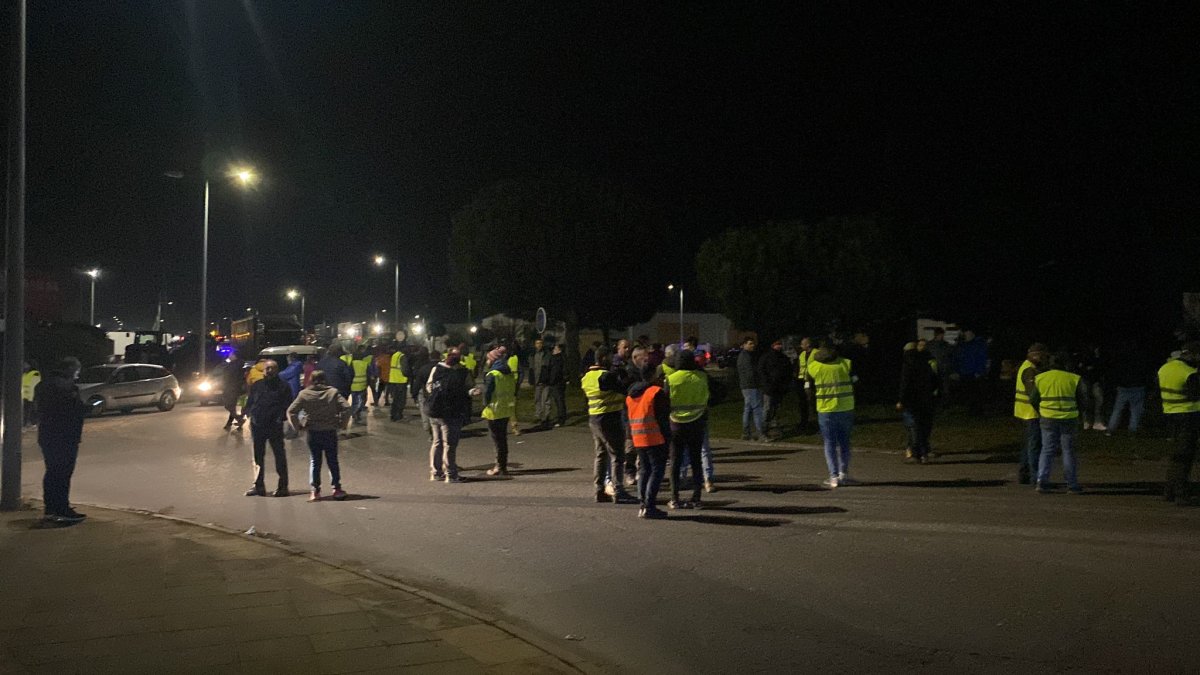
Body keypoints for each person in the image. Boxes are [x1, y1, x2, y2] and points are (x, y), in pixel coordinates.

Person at [34, 357, 89, 523]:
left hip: (49, 435)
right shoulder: (66, 387)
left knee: (52, 473)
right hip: (65, 435)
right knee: (62, 474)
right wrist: (86, 408)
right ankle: (61, 509)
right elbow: (70, 410)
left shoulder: (44, 385)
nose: (77, 376)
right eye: (76, 372)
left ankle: (51, 509)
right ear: (70, 370)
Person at [287, 370, 352, 502]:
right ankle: (336, 489)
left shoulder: (304, 394)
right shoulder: (333, 392)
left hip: (313, 431)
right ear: (325, 379)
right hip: (329, 430)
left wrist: (298, 427)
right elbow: (346, 408)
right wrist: (342, 424)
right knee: (332, 460)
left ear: (311, 380)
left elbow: (291, 411)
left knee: (315, 461)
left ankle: (315, 491)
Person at [582, 346, 634, 503]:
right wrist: (626, 376)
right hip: (609, 418)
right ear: (604, 358)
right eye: (610, 357)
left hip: (594, 419)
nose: (613, 359)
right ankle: (618, 490)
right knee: (617, 455)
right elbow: (624, 389)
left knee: (600, 454)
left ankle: (599, 490)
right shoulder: (605, 376)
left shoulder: (587, 377)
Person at [1030, 352, 1084, 494]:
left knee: (1047, 449)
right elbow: (1083, 400)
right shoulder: (1073, 378)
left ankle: (1041, 481)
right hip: (1069, 418)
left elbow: (1033, 398)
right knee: (1068, 450)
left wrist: (1041, 410)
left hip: (1048, 417)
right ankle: (1071, 484)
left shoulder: (1041, 378)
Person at [806, 341, 857, 488]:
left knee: (829, 443)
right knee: (845, 442)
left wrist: (811, 407)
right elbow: (856, 381)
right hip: (846, 408)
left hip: (825, 410)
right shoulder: (846, 363)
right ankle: (844, 474)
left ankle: (833, 476)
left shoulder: (814, 367)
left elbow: (808, 388)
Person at [243, 360, 295, 497]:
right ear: (263, 370)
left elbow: (289, 406)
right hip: (258, 425)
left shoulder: (283, 386)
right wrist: (249, 414)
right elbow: (250, 402)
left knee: (279, 456)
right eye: (267, 368)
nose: (269, 371)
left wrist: (280, 418)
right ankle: (258, 486)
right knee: (258, 457)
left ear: (277, 370)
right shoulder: (257, 385)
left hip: (274, 426)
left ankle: (283, 487)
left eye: (272, 368)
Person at [625, 365, 671, 519]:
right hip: (655, 437)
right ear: (653, 376)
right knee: (657, 471)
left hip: (638, 437)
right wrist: (667, 438)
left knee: (644, 471)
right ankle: (650, 506)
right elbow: (662, 418)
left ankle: (643, 505)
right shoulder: (655, 393)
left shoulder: (631, 395)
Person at [667, 350, 710, 509]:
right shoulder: (702, 377)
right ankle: (696, 498)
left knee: (675, 462)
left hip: (676, 424)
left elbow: (665, 401)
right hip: (697, 422)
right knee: (695, 461)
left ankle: (674, 498)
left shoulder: (671, 379)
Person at [1157, 342, 1200, 504]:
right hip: (1188, 416)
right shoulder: (1189, 373)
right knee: (1185, 457)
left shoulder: (1164, 368)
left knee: (1176, 455)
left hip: (1169, 414)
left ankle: (1169, 491)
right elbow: (1195, 395)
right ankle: (1181, 494)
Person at [425, 348, 473, 482]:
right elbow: (467, 389)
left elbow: (429, 386)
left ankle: (435, 472)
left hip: (434, 410)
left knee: (437, 442)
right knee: (450, 445)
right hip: (451, 412)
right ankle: (451, 475)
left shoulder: (437, 369)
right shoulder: (462, 372)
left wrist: (437, 396)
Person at [897, 342, 940, 463]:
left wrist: (901, 400)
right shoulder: (925, 362)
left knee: (914, 427)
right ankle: (924, 452)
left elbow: (905, 384)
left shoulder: (908, 364)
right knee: (924, 426)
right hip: (926, 400)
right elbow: (935, 380)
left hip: (912, 401)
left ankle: (916, 453)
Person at [1013, 343, 1048, 485]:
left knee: (1028, 445)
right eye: (1043, 355)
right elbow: (1032, 394)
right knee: (1034, 445)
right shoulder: (1030, 370)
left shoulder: (1027, 366)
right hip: (1031, 413)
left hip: (1024, 412)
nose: (1044, 358)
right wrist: (1042, 409)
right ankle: (1035, 477)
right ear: (1036, 354)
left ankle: (1024, 474)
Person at [481, 347, 517, 476]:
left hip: (494, 412)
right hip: (505, 410)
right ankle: (503, 465)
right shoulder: (508, 373)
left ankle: (499, 467)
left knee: (497, 441)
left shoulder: (493, 375)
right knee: (502, 440)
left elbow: (487, 394)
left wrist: (484, 404)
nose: (486, 362)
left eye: (488, 359)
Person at [1106, 339, 1150, 435]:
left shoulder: (1121, 358)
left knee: (1117, 409)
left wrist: (1116, 384)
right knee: (1135, 410)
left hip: (1123, 387)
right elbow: (1145, 372)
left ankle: (1111, 429)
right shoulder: (1140, 358)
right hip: (1137, 386)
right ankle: (1132, 430)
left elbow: (1116, 372)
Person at [758, 339, 792, 439]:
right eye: (777, 344)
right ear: (773, 345)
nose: (779, 346)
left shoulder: (783, 358)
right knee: (767, 409)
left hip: (779, 388)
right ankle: (763, 431)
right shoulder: (766, 357)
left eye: (780, 344)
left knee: (776, 409)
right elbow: (761, 371)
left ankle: (774, 430)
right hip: (769, 388)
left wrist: (786, 384)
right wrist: (767, 384)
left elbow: (788, 371)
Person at [736, 337, 766, 440]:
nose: (752, 345)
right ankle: (760, 432)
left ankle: (746, 433)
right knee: (757, 409)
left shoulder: (743, 356)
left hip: (746, 386)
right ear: (744, 345)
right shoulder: (746, 356)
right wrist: (758, 382)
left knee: (748, 409)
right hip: (751, 386)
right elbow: (750, 373)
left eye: (753, 343)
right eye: (750, 344)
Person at [955, 329, 989, 416]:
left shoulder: (976, 345)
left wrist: (979, 371)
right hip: (967, 372)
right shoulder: (965, 345)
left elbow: (981, 359)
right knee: (971, 393)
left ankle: (976, 410)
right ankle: (973, 410)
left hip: (973, 373)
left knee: (975, 393)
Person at [410, 348, 438, 440]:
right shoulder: (442, 368)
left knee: (426, 412)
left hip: (426, 394)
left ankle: (430, 430)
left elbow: (418, 383)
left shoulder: (424, 368)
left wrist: (414, 394)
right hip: (439, 394)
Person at [795, 337, 816, 434]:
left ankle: (814, 423)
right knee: (804, 403)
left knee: (812, 403)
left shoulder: (816, 353)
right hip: (803, 381)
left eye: (802, 344)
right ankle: (806, 422)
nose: (801, 345)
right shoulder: (802, 354)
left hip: (814, 381)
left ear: (808, 344)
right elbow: (800, 367)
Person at [530, 338, 552, 429]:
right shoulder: (532, 355)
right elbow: (532, 367)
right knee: (537, 399)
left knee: (545, 399)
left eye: (540, 343)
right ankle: (538, 415)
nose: (539, 345)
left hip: (545, 380)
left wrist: (546, 378)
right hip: (536, 380)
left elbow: (547, 367)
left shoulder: (546, 354)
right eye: (537, 343)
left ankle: (546, 416)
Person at [221, 354, 247, 430]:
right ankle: (232, 423)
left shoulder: (232, 366)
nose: (229, 356)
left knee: (229, 406)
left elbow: (228, 377)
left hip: (232, 388)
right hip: (241, 389)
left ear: (235, 356)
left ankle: (239, 419)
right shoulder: (242, 365)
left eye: (231, 355)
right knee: (234, 406)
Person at [349, 345, 371, 423]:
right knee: (361, 401)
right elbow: (368, 375)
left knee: (354, 401)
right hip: (362, 386)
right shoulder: (365, 364)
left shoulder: (351, 364)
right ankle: (357, 413)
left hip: (353, 386)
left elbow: (349, 374)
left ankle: (353, 413)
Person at [547, 343, 567, 427]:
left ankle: (561, 419)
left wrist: (550, 381)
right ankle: (562, 417)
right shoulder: (563, 357)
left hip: (556, 383)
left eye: (555, 349)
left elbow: (555, 371)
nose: (553, 350)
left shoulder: (557, 358)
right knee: (560, 400)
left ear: (559, 350)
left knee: (559, 401)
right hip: (561, 382)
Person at [390, 345, 409, 421]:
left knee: (395, 399)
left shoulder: (394, 355)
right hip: (400, 381)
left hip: (393, 380)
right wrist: (408, 375)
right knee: (401, 400)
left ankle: (393, 415)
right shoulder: (402, 356)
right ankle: (399, 415)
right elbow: (405, 370)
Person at [22, 360, 41, 427]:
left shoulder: (34, 373)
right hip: (26, 395)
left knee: (31, 409)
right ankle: (29, 423)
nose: (24, 366)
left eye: (25, 364)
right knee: (27, 409)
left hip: (32, 395)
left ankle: (33, 422)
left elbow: (34, 384)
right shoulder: (25, 374)